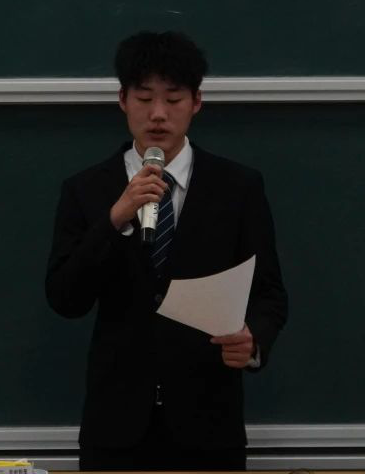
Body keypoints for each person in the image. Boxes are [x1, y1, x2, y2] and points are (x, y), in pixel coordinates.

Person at [45, 31, 288, 471]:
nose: (158, 114)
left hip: (208, 424)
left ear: (197, 102)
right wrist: (114, 219)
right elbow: (65, 298)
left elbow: (269, 292)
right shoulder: (86, 189)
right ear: (122, 100)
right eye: (144, 98)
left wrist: (253, 339)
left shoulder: (238, 187)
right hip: (116, 426)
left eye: (173, 99)